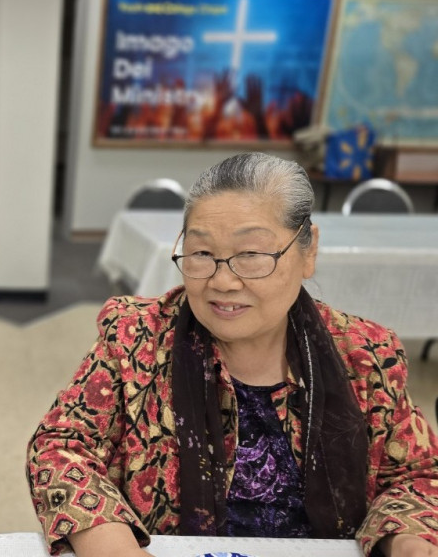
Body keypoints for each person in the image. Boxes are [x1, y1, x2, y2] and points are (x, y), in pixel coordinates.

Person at [26, 152, 438, 557]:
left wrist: (406, 540)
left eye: (251, 255)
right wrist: (114, 548)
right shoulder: (136, 337)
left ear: (308, 251)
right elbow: (61, 446)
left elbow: (415, 475)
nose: (222, 281)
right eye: (202, 254)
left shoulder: (365, 354)